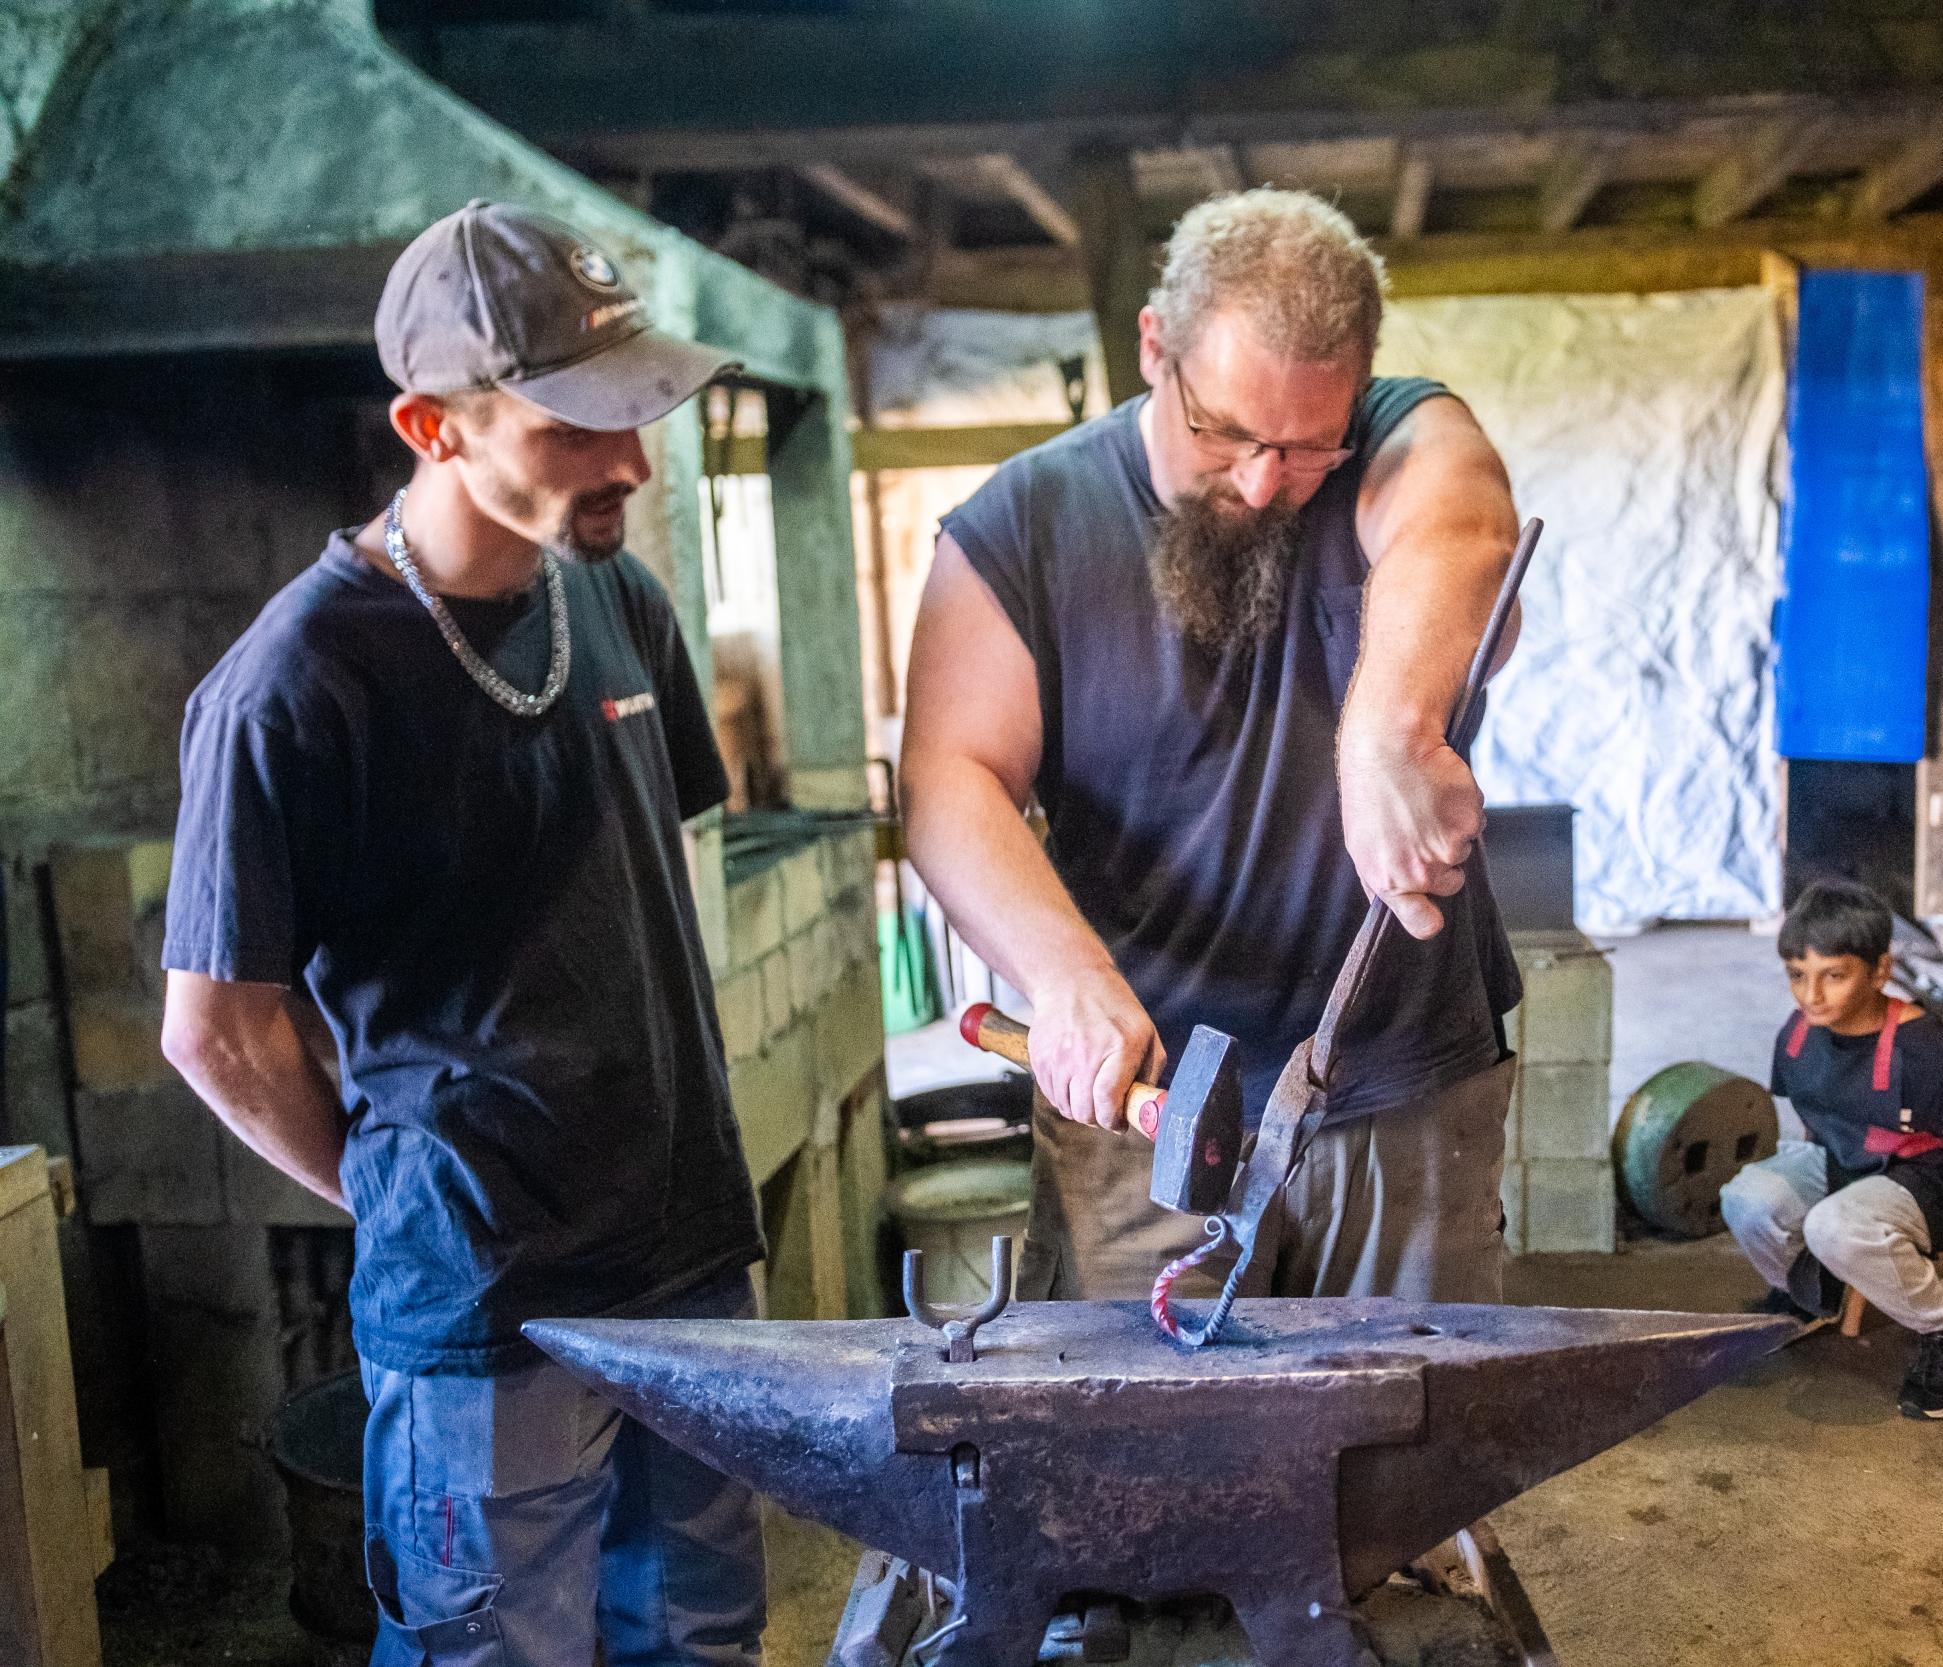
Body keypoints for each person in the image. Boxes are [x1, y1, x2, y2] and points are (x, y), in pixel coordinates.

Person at [158, 201, 768, 1667]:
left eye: (641, 412)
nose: (629, 459)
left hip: (690, 1264)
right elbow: (214, 1029)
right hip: (485, 1311)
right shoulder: (295, 684)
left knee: (704, 1639)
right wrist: (407, 1189)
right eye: (577, 424)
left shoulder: (621, 597)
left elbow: (628, 898)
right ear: (434, 427)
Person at [901, 189, 1524, 1303]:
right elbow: (951, 780)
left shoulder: (1398, 438)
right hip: (1144, 1106)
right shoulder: (1023, 525)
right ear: (1155, 346)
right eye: (1227, 431)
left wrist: (1386, 729)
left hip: (1398, 1094)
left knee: (1409, 1440)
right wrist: (1066, 976)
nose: (1261, 481)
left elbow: (1463, 521)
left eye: (1306, 446)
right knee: (1138, 1455)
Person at [1718, 879, 1943, 1420]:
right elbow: (1817, 1127)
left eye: (1834, 976)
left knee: (1833, 1227)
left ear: (1880, 971)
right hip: (1853, 1165)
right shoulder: (1797, 1035)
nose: (1811, 996)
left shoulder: (1930, 1057)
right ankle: (1812, 1296)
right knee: (1747, 1196)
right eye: (1797, 975)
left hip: (1939, 1185)